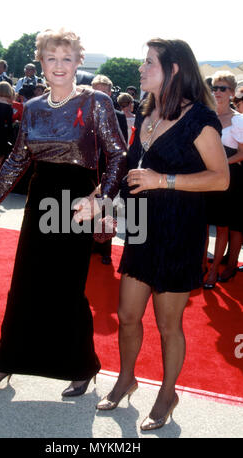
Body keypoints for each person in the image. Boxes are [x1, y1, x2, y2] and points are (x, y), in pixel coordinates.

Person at [0, 28, 127, 395]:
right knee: (25, 283)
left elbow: (118, 154)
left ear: (78, 62)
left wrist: (100, 198)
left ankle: (81, 366)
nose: (59, 65)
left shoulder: (95, 102)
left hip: (76, 204)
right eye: (51, 58)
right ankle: (5, 361)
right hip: (40, 198)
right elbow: (16, 160)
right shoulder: (35, 108)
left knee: (67, 287)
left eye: (66, 58)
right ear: (40, 62)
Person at [96, 39, 229, 432]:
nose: (140, 68)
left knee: (169, 326)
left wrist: (163, 180)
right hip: (141, 226)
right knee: (127, 316)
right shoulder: (148, 111)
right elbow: (136, 168)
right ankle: (126, 379)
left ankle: (167, 393)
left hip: (179, 232)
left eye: (148, 62)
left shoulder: (200, 118)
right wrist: (115, 210)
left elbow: (220, 179)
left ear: (173, 69)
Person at [203, 72, 243, 288]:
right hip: (204, 177)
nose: (217, 92)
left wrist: (219, 164)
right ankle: (200, 265)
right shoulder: (206, 115)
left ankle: (213, 272)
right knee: (202, 224)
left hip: (229, 179)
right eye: (215, 88)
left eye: (223, 88)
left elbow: (242, 153)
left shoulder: (239, 120)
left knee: (222, 227)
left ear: (232, 93)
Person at [91, 74, 128, 264]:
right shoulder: (83, 113)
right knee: (87, 206)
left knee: (106, 208)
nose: (99, 94)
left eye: (103, 91)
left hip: (109, 169)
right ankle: (89, 245)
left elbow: (121, 148)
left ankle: (105, 249)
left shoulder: (119, 116)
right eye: (96, 90)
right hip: (88, 169)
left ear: (110, 93)